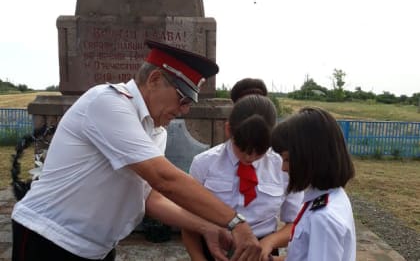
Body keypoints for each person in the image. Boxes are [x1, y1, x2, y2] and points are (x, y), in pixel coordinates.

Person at [11, 40, 262, 261]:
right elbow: (164, 178)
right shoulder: (108, 103)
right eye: (182, 99)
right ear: (154, 80)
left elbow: (149, 197)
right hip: (49, 238)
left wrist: (206, 227)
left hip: (95, 248)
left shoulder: (155, 131)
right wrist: (235, 223)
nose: (184, 110)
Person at [182, 78, 303, 261]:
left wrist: (268, 243)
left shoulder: (284, 167)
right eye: (242, 149)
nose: (249, 157)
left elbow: (295, 223)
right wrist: (198, 258)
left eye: (259, 152)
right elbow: (187, 220)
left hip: (263, 251)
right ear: (229, 130)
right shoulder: (204, 164)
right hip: (214, 247)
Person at [271, 107, 356, 261]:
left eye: (288, 159)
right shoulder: (330, 197)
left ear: (311, 157)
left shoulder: (324, 218)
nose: (283, 168)